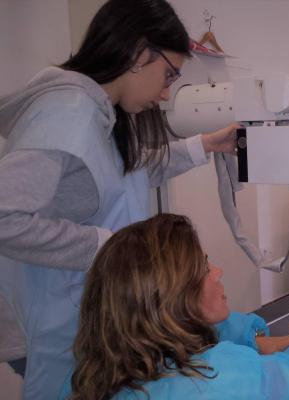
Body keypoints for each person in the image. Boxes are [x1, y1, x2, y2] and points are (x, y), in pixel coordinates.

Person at [0, 0, 238, 398]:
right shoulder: (66, 113)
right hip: (56, 321)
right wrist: (106, 246)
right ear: (139, 54)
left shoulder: (101, 114)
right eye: (169, 74)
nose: (166, 93)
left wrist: (206, 145)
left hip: (92, 315)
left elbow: (126, 173)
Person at [58, 213, 289, 399]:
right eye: (203, 266)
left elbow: (218, 329)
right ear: (176, 297)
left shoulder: (84, 380)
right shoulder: (219, 379)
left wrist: (266, 340)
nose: (217, 272)